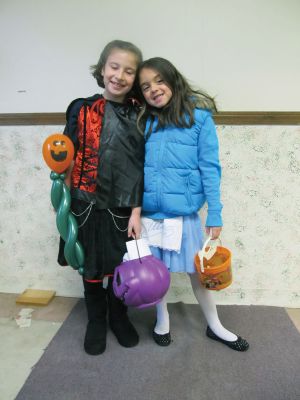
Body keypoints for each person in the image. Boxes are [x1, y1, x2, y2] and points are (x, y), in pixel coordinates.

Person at [138, 57, 249, 351]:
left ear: (173, 80)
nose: (154, 89)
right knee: (155, 272)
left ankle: (215, 325)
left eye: (159, 80)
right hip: (150, 214)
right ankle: (162, 320)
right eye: (146, 86)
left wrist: (215, 212)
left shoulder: (200, 120)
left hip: (182, 214)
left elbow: (210, 169)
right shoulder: (144, 122)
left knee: (196, 272)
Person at [58, 40, 145, 355]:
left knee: (121, 267)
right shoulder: (81, 108)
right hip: (84, 203)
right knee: (91, 266)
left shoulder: (139, 114)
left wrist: (136, 212)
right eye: (114, 66)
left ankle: (119, 317)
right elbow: (66, 157)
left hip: (122, 207)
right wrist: (63, 206)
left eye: (129, 71)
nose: (120, 75)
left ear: (135, 78)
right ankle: (96, 319)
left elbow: (140, 166)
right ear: (102, 68)